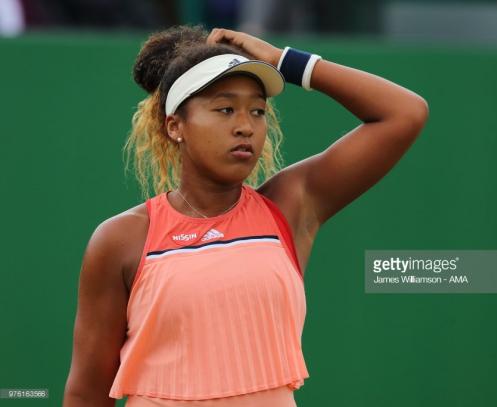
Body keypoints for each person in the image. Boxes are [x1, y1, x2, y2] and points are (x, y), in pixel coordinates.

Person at [63, 25, 428, 407]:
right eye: (225, 109)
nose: (245, 126)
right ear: (175, 126)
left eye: (257, 111)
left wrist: (283, 61)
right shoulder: (122, 239)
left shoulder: (289, 207)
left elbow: (404, 113)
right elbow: (86, 391)